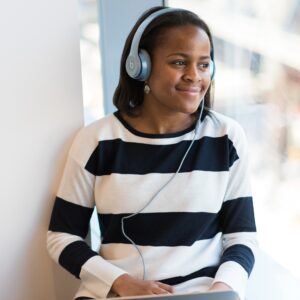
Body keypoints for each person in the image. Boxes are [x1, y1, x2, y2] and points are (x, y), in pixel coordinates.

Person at [47, 6, 257, 300]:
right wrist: (120, 281)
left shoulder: (226, 137)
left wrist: (223, 290)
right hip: (117, 294)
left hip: (200, 295)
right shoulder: (98, 140)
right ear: (140, 66)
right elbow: (62, 237)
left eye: (204, 64)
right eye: (179, 62)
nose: (194, 76)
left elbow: (242, 237)